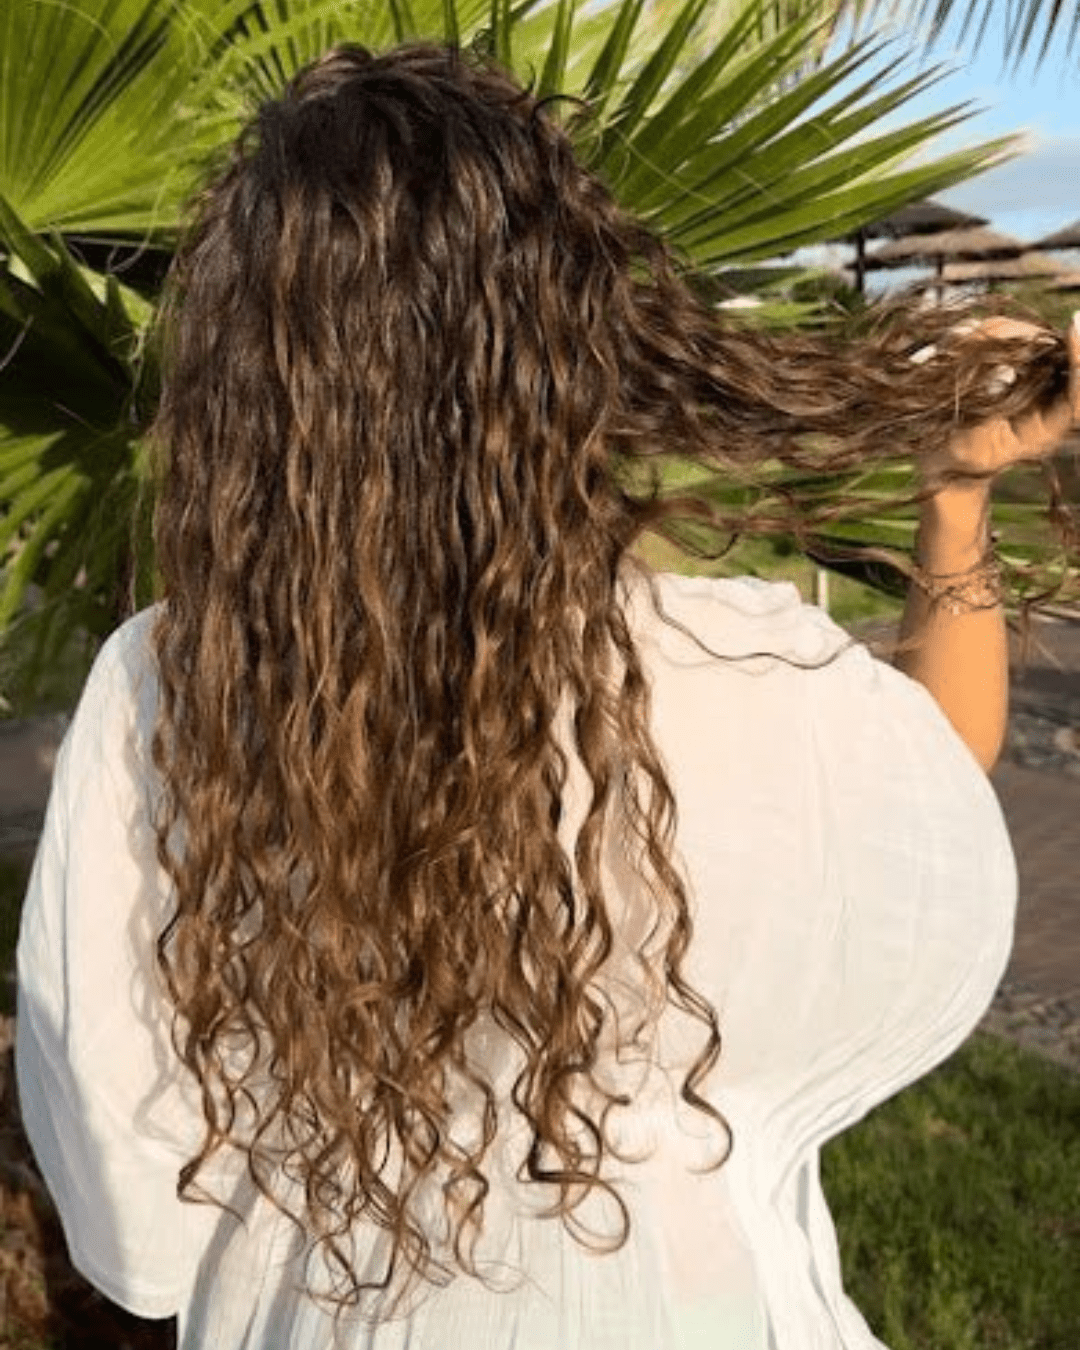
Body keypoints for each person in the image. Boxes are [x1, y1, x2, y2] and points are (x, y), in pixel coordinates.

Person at [14, 40, 1080, 1350]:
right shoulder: (740, 663)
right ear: (571, 342)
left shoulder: (165, 692)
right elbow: (938, 761)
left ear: (251, 384)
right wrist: (956, 495)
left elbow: (137, 1220)